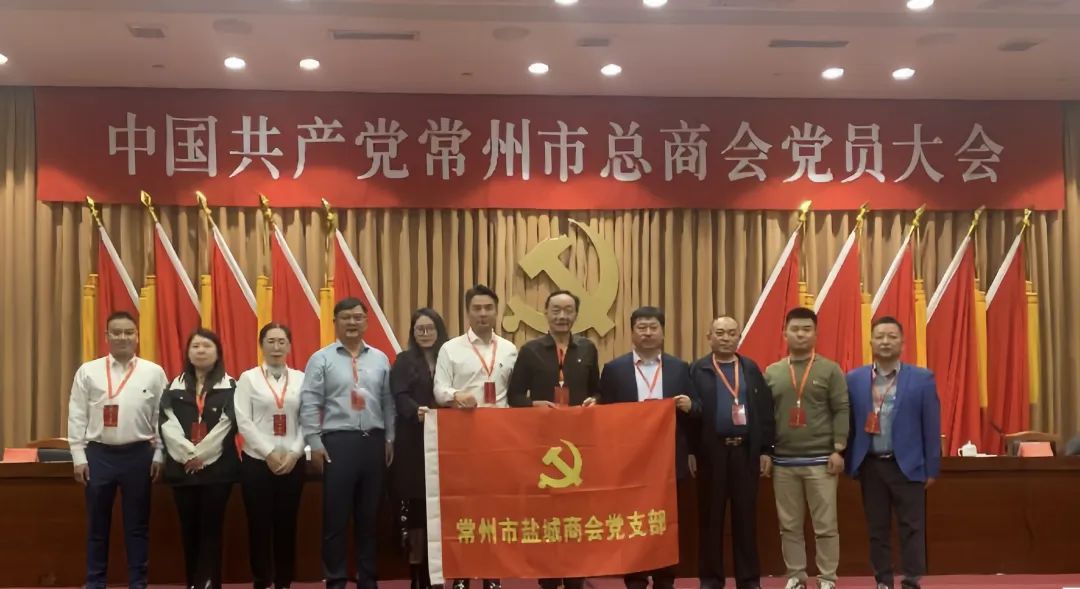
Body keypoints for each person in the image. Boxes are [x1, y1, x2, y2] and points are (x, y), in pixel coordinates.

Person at [68, 310, 169, 589]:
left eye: (128, 332)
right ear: (106, 336)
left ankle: (138, 582)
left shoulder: (154, 372)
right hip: (98, 455)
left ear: (137, 336)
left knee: (137, 526)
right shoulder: (88, 371)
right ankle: (94, 582)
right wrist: (78, 456)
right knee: (97, 526)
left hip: (139, 455)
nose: (122, 337)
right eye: (116, 332)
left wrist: (159, 453)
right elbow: (77, 415)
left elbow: (162, 417)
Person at [598, 306, 697, 589]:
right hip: (630, 460)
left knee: (667, 521)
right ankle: (636, 578)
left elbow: (697, 409)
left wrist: (691, 406)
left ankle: (666, 578)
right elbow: (605, 415)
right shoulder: (614, 370)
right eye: (642, 328)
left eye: (654, 327)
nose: (648, 333)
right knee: (634, 520)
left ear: (663, 332)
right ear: (632, 333)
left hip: (669, 459)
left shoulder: (680, 368)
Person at [507, 290, 600, 589]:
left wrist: (595, 401)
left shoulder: (588, 349)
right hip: (542, 445)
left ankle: (575, 578)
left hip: (578, 445)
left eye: (568, 310)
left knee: (576, 514)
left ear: (576, 315)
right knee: (544, 513)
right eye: (556, 310)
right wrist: (532, 405)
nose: (562, 316)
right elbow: (514, 396)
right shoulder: (530, 351)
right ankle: (547, 579)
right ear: (545, 313)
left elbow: (597, 391)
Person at [300, 297, 395, 589]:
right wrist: (314, 442)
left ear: (366, 322)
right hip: (338, 444)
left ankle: (368, 580)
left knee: (369, 518)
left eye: (357, 317)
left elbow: (388, 402)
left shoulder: (380, 359)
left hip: (373, 443)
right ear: (335, 323)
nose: (352, 322)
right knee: (336, 519)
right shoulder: (321, 359)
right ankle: (336, 579)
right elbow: (310, 402)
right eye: (346, 317)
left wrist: (390, 438)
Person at [846, 317, 941, 589]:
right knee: (877, 529)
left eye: (892, 336)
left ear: (902, 342)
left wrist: (932, 468)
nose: (885, 342)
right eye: (880, 337)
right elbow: (848, 423)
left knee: (912, 527)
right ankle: (883, 580)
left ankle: (911, 580)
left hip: (907, 465)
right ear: (871, 342)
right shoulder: (853, 379)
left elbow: (931, 425)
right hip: (871, 465)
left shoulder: (922, 378)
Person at [433, 284, 518, 589]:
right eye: (477, 308)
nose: (483, 314)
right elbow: (439, 389)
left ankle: (492, 574)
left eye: (488, 308)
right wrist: (456, 395)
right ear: (467, 312)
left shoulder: (509, 349)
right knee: (463, 507)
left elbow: (516, 394)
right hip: (463, 439)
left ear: (496, 311)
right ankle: (461, 574)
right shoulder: (450, 349)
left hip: (499, 440)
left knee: (496, 508)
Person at [763, 308, 849, 589]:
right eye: (795, 329)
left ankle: (827, 578)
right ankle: (796, 576)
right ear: (784, 334)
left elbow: (841, 409)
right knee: (789, 525)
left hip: (822, 461)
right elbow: (766, 416)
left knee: (825, 525)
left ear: (815, 334)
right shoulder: (772, 372)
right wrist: (766, 452)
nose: (800, 334)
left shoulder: (830, 370)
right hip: (783, 463)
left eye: (806, 329)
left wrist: (838, 448)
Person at [689, 316, 775, 589]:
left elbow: (765, 410)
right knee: (710, 520)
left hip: (745, 453)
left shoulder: (750, 368)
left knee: (745, 520)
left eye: (731, 333)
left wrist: (766, 450)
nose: (725, 338)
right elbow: (690, 416)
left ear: (739, 337)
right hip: (710, 454)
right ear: (709, 337)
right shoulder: (698, 370)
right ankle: (711, 580)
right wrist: (691, 451)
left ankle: (748, 580)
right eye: (720, 333)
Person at [159, 327, 240, 589]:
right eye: (196, 346)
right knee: (188, 530)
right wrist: (187, 454)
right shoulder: (174, 387)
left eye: (207, 346)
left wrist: (201, 454)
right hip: (182, 470)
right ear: (188, 353)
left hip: (217, 472)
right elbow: (166, 423)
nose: (201, 351)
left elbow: (228, 425)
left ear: (218, 352)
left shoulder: (231, 386)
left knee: (211, 532)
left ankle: (209, 584)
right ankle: (193, 583)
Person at [235, 323, 307, 589]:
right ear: (261, 345)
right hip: (257, 462)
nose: (276, 347)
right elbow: (243, 420)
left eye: (281, 342)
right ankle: (261, 580)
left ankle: (284, 581)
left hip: (292, 462)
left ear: (289, 346)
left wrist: (295, 453)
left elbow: (308, 418)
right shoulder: (248, 378)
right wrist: (267, 453)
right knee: (259, 524)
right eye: (270, 341)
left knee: (287, 524)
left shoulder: (301, 378)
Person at [391, 308, 450, 589]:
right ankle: (418, 575)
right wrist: (417, 411)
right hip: (413, 443)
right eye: (419, 329)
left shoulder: (449, 357)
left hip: (446, 442)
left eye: (430, 328)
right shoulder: (404, 360)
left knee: (442, 511)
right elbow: (399, 396)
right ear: (413, 333)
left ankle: (443, 572)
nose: (425, 334)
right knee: (417, 511)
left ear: (439, 330)